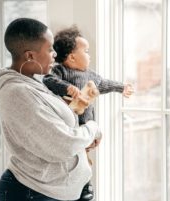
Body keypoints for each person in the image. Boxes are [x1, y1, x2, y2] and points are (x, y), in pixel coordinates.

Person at [0, 18, 102, 201]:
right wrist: (92, 128)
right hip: (35, 192)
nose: (55, 54)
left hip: (51, 190)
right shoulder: (16, 92)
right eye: (50, 49)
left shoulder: (33, 84)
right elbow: (65, 144)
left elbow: (53, 134)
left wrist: (81, 137)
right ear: (30, 56)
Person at [42, 25, 134, 200]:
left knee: (84, 160)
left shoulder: (90, 75)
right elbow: (48, 80)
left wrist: (121, 87)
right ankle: (72, 187)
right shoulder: (60, 70)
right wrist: (67, 88)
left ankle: (85, 187)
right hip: (68, 125)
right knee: (72, 159)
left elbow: (103, 83)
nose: (89, 55)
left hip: (87, 125)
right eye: (86, 51)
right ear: (72, 57)